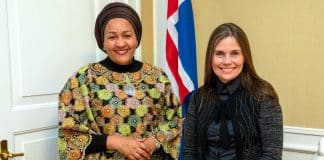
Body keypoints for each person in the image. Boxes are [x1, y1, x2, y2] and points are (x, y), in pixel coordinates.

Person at [57, 2, 182, 160]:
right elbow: (68, 135)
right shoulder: (82, 80)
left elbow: (175, 121)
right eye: (112, 37)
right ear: (102, 41)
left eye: (127, 35)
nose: (121, 43)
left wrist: (152, 142)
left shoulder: (158, 77)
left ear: (137, 38)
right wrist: (116, 142)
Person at [183, 22, 283, 160]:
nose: (227, 61)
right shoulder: (198, 97)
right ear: (210, 58)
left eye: (235, 53)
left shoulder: (264, 96)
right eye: (219, 54)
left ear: (245, 57)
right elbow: (190, 151)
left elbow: (272, 156)